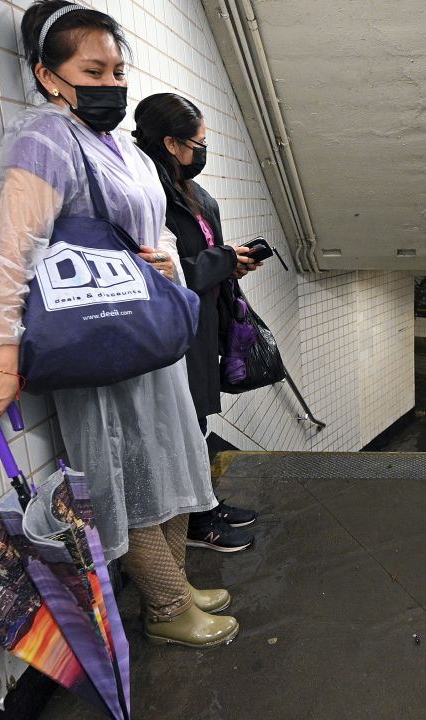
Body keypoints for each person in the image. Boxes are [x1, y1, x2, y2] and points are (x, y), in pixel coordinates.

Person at [0, 0, 237, 648]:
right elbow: (7, 249)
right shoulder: (45, 139)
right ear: (50, 76)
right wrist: (2, 361)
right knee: (130, 472)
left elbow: (148, 226)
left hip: (147, 331)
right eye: (93, 70)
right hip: (98, 338)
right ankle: (165, 609)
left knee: (171, 462)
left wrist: (163, 255)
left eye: (117, 71)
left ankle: (178, 586)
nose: (111, 84)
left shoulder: (119, 150)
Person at [132, 93, 262, 553]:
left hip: (204, 317)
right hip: (174, 324)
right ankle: (196, 521)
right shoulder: (149, 192)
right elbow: (163, 266)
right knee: (182, 424)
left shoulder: (190, 191)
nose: (203, 151)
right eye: (198, 142)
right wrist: (221, 260)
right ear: (170, 143)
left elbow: (197, 257)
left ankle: (205, 504)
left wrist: (232, 263)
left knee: (199, 418)